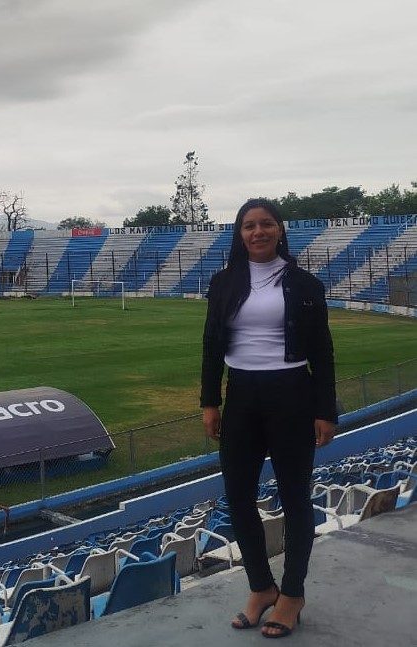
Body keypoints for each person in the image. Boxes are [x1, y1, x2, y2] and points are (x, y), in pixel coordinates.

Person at [200, 198, 337, 639]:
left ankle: (292, 594)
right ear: (239, 234)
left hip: (291, 395)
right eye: (248, 226)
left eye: (265, 224)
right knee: (238, 496)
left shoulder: (304, 284)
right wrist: (210, 401)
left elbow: (322, 352)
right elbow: (211, 343)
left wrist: (326, 410)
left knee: (295, 498)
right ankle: (261, 587)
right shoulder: (224, 282)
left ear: (279, 230)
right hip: (241, 395)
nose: (257, 232)